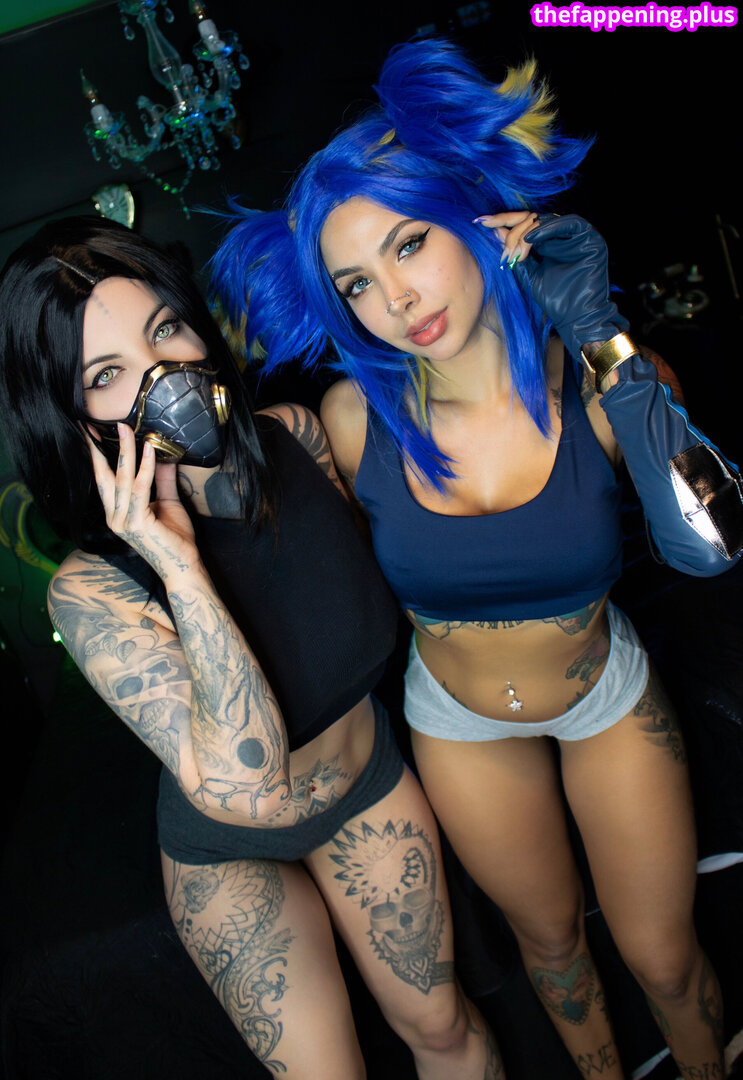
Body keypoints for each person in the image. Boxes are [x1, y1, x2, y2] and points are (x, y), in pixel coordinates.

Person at [211, 38, 743, 1080]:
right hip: (458, 724)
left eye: (409, 244)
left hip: (603, 700)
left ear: (475, 218)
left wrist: (596, 328)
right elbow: (255, 528)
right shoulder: (352, 420)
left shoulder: (599, 378)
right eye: (357, 284)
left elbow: (709, 547)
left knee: (664, 964)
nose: (397, 301)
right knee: (552, 955)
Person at [0, 215, 505, 1080]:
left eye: (166, 329)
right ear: (67, 414)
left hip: (363, 784)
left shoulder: (296, 438)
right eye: (106, 375)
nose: (163, 376)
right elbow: (247, 785)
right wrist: (176, 562)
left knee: (442, 1028)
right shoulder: (90, 590)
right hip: (229, 846)